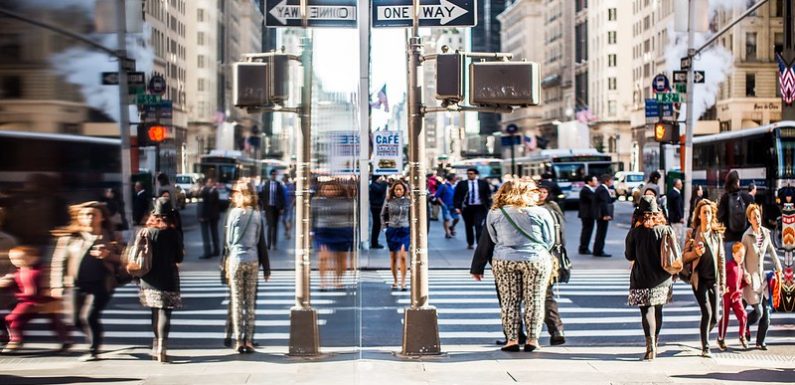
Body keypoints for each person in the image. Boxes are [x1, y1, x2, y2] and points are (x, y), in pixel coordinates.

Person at [485, 180, 554, 352]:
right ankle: (532, 339)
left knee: (509, 300)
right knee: (535, 299)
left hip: (504, 258)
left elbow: (493, 238)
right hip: (535, 258)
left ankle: (512, 340)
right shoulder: (541, 212)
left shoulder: (495, 213)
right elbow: (550, 239)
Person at [50, 201, 123, 361]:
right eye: (84, 215)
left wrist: (108, 255)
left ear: (102, 217)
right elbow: (59, 262)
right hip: (76, 284)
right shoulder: (70, 238)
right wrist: (56, 284)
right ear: (79, 218)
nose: (88, 218)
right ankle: (95, 335)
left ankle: (93, 350)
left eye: (93, 214)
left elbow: (125, 259)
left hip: (102, 284)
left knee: (89, 316)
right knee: (75, 319)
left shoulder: (112, 237)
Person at [625, 196, 675, 360]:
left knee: (647, 311)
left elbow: (629, 255)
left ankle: (650, 347)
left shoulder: (634, 233)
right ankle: (656, 343)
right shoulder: (665, 230)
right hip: (662, 278)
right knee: (658, 310)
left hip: (642, 278)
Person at [135, 197, 183, 362]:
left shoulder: (146, 231)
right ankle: (163, 346)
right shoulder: (173, 233)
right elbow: (179, 257)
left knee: (154, 311)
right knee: (165, 312)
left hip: (148, 277)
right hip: (168, 277)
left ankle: (156, 345)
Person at [224, 179, 269, 353]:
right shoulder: (257, 215)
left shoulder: (234, 214)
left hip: (236, 260)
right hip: (252, 260)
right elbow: (258, 239)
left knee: (237, 301)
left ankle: (238, 341)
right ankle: (249, 340)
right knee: (249, 302)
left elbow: (229, 241)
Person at [1, 246, 71, 353]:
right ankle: (14, 339)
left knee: (13, 318)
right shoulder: (18, 272)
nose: (16, 261)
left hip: (39, 301)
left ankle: (16, 341)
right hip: (34, 301)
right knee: (13, 319)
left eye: (21, 258)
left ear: (34, 258)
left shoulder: (38, 271)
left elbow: (33, 291)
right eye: (13, 259)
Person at [682, 199, 726, 358]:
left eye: (709, 212)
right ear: (699, 216)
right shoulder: (693, 233)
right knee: (707, 313)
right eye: (704, 212)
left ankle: (704, 333)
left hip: (713, 280)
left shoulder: (716, 234)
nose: (707, 215)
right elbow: (684, 257)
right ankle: (705, 347)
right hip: (698, 280)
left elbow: (721, 259)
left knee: (715, 317)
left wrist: (723, 283)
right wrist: (695, 253)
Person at [741, 203, 783, 350]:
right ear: (749, 219)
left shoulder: (766, 233)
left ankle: (760, 341)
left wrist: (779, 267)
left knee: (767, 313)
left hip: (763, 279)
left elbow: (772, 251)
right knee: (758, 312)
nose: (757, 219)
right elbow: (741, 258)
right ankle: (745, 324)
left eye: (758, 216)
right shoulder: (746, 236)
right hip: (751, 280)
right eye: (754, 217)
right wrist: (745, 272)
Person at [312, 180, 354, 290]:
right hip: (323, 232)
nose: (329, 192)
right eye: (326, 189)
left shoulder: (347, 202)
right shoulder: (316, 202)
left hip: (342, 232)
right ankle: (323, 281)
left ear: (339, 190)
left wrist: (351, 234)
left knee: (340, 259)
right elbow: (313, 218)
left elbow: (352, 219)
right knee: (323, 257)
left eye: (332, 189)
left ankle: (338, 280)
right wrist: (312, 232)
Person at [537, 184, 566, 345]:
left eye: (544, 192)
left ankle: (555, 329)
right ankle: (555, 329)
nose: (541, 195)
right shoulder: (547, 208)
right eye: (538, 192)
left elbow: (561, 235)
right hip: (548, 255)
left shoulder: (551, 207)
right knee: (546, 295)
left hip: (547, 256)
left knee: (546, 295)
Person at [717, 242, 750, 351]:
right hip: (727, 295)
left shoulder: (741, 268)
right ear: (733, 254)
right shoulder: (730, 265)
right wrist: (724, 286)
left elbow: (740, 283)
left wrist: (747, 282)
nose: (741, 258)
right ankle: (721, 338)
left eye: (743, 256)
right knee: (725, 317)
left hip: (737, 297)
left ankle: (742, 335)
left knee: (743, 315)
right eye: (739, 255)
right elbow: (722, 276)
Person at [717, 170, 754, 259]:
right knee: (743, 268)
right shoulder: (747, 198)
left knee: (730, 268)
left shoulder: (725, 198)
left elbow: (719, 217)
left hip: (729, 238)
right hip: (744, 239)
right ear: (738, 182)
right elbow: (753, 217)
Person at [382, 180, 411, 291]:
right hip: (392, 230)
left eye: (401, 190)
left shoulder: (408, 201)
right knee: (393, 257)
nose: (399, 191)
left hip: (405, 230)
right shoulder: (389, 201)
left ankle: (403, 282)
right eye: (397, 189)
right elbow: (382, 215)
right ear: (393, 190)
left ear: (404, 191)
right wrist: (385, 228)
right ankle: (395, 281)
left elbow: (413, 216)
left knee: (403, 256)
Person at [454, 168, 492, 250]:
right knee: (468, 226)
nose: (469, 175)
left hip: (480, 207)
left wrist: (490, 206)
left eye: (471, 173)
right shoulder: (462, 184)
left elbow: (488, 195)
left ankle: (479, 243)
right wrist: (457, 207)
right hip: (467, 208)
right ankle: (470, 243)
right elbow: (457, 196)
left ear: (475, 174)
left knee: (478, 225)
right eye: (468, 173)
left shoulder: (483, 183)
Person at [260, 170, 285, 250]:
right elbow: (263, 197)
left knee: (275, 226)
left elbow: (282, 197)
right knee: (270, 226)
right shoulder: (266, 184)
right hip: (268, 208)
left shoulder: (278, 185)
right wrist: (263, 208)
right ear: (270, 175)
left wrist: (281, 208)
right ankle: (269, 243)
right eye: (272, 175)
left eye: (275, 175)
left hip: (276, 208)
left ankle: (274, 244)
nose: (274, 176)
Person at [198, 178, 221, 259]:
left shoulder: (207, 191)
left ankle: (208, 252)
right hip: (214, 215)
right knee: (214, 232)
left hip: (206, 215)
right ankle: (216, 250)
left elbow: (203, 204)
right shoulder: (214, 191)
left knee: (206, 234)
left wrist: (201, 216)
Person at [592, 174, 614, 257]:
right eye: (611, 180)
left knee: (600, 233)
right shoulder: (602, 190)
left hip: (601, 215)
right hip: (602, 215)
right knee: (601, 233)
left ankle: (597, 250)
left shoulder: (603, 189)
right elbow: (603, 203)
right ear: (607, 181)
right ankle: (598, 251)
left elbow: (611, 200)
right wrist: (606, 214)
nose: (612, 182)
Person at [578, 175, 598, 254]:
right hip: (587, 214)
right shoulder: (586, 190)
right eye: (595, 180)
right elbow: (594, 199)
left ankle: (584, 247)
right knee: (586, 231)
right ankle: (583, 248)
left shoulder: (589, 189)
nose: (596, 182)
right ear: (589, 182)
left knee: (587, 231)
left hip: (588, 214)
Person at [434, 175, 458, 239]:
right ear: (452, 179)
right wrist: (442, 204)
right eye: (455, 177)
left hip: (454, 205)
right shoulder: (444, 186)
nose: (456, 179)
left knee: (456, 218)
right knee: (446, 219)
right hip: (446, 205)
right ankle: (447, 233)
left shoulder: (455, 186)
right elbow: (437, 195)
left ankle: (451, 227)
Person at [369, 175, 388, 249]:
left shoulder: (374, 185)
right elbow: (380, 190)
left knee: (377, 225)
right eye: (380, 177)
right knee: (376, 225)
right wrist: (385, 182)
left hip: (377, 207)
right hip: (376, 207)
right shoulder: (373, 185)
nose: (381, 179)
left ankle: (375, 242)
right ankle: (374, 243)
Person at [668, 179, 685, 245]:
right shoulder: (677, 195)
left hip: (672, 218)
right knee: (678, 236)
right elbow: (678, 207)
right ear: (677, 185)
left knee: (674, 235)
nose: (681, 185)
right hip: (677, 219)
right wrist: (681, 217)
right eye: (680, 184)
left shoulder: (670, 193)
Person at [281, 175, 295, 241]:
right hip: (283, 205)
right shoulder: (282, 186)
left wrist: (292, 203)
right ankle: (286, 230)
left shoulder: (291, 186)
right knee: (283, 220)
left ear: (286, 178)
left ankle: (288, 233)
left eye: (283, 178)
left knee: (289, 219)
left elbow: (294, 196)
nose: (283, 179)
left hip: (290, 205)